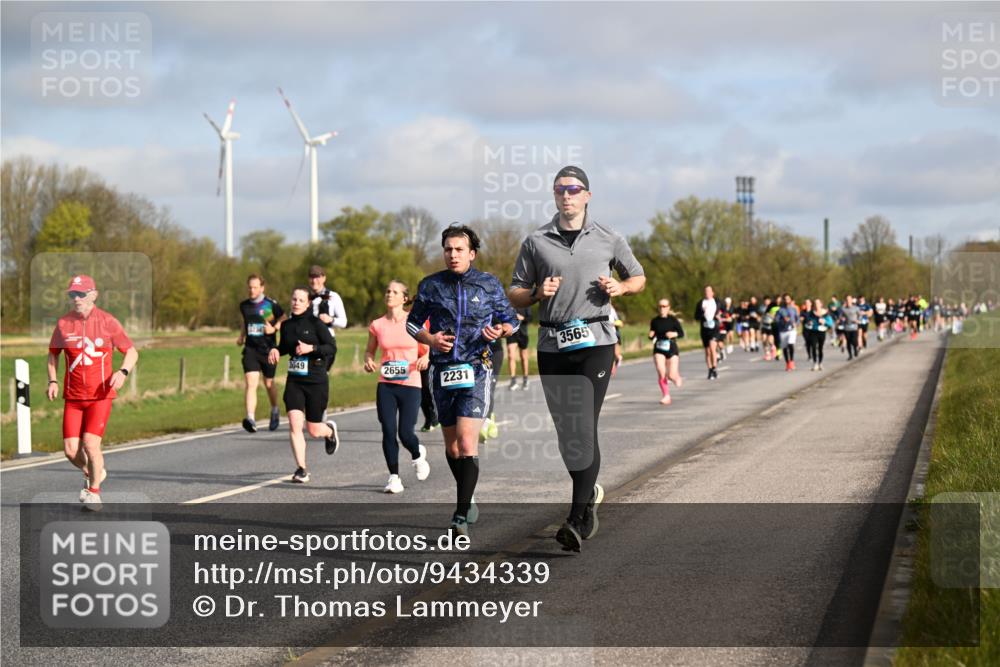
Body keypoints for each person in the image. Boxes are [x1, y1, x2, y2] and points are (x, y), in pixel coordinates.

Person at [509, 165, 646, 552]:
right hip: (552, 342)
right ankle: (589, 496)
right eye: (559, 190)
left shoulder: (608, 238)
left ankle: (575, 517)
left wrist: (620, 287)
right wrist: (536, 292)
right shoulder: (536, 241)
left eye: (573, 189)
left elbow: (638, 277)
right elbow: (514, 293)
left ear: (587, 195)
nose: (566, 195)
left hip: (596, 338)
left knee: (583, 425)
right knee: (568, 435)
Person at [407, 223, 518, 537]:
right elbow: (412, 325)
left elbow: (512, 322)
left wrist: (500, 331)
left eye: (459, 250)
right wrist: (429, 339)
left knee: (468, 443)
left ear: (472, 253)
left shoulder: (488, 285)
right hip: (442, 370)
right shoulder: (430, 285)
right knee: (453, 449)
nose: (453, 255)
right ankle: (468, 499)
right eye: (448, 249)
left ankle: (459, 515)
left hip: (476, 367)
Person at [47, 274, 139, 511]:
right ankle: (93, 471)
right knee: (69, 451)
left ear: (93, 295)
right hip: (74, 397)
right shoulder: (63, 324)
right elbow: (53, 354)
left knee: (90, 443)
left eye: (81, 294)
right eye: (72, 294)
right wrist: (53, 380)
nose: (76, 298)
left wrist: (123, 372)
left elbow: (131, 352)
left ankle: (94, 492)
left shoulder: (108, 322)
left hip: (100, 396)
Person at [364, 280, 431, 493]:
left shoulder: (413, 321)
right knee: (388, 430)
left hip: (411, 384)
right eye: (387, 291)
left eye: (395, 292)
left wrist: (426, 357)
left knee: (405, 433)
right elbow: (369, 351)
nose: (389, 294)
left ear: (404, 298)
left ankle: (417, 454)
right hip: (386, 385)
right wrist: (368, 361)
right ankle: (394, 477)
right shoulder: (377, 325)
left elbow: (426, 347)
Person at [268, 286, 340, 483]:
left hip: (316, 378)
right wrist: (275, 350)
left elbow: (331, 347)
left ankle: (330, 431)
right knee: (294, 423)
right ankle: (301, 468)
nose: (296, 302)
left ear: (308, 303)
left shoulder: (316, 324)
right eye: (294, 299)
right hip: (295, 380)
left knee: (314, 429)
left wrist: (311, 348)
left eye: (301, 300)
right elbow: (285, 347)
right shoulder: (287, 326)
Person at [237, 274, 284, 433]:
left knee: (269, 383)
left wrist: (274, 328)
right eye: (250, 287)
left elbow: (284, 317)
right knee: (251, 383)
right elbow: (245, 320)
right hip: (251, 349)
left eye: (255, 287)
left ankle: (275, 410)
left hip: (268, 350)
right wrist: (242, 335)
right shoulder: (244, 305)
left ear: (262, 288)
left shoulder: (270, 304)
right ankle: (251, 418)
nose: (252, 290)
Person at [307, 265, 348, 371]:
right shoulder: (303, 297)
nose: (314, 280)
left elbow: (344, 322)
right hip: (306, 343)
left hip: (325, 343)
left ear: (324, 278)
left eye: (317, 277)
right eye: (311, 277)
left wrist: (331, 319)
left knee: (319, 377)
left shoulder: (333, 296)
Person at [648, 299, 684, 405]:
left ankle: (676, 377)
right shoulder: (655, 320)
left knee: (671, 375)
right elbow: (652, 333)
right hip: (659, 347)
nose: (662, 308)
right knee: (661, 372)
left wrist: (674, 334)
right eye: (660, 306)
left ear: (668, 307)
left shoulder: (673, 320)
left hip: (671, 347)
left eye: (664, 306)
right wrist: (650, 335)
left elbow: (681, 333)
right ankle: (666, 396)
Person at [694, 285, 723, 380]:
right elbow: (696, 317)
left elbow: (724, 311)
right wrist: (702, 312)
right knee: (707, 352)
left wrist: (720, 315)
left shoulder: (717, 302)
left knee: (712, 348)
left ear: (712, 292)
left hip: (714, 329)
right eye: (706, 291)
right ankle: (710, 369)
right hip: (704, 329)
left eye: (709, 291)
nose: (707, 292)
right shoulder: (701, 303)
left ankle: (714, 368)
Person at [803, 299, 834, 371]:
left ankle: (820, 363)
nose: (816, 305)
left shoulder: (825, 313)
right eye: (815, 303)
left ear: (821, 304)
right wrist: (809, 323)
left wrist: (824, 322)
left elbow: (830, 323)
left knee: (820, 348)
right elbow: (807, 322)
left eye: (817, 303)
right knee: (813, 347)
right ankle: (815, 363)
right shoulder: (811, 313)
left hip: (822, 332)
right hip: (813, 331)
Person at [507, 307, 531, 391]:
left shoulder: (525, 303)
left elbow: (529, 318)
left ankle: (525, 378)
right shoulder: (509, 303)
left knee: (523, 357)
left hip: (523, 333)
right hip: (512, 333)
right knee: (510, 355)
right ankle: (513, 380)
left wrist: (522, 318)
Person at [774, 293, 800, 371]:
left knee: (791, 344)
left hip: (792, 329)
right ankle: (787, 363)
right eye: (785, 299)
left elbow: (797, 318)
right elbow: (776, 320)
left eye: (788, 299)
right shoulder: (780, 310)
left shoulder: (793, 309)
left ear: (790, 300)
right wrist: (783, 320)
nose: (786, 300)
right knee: (785, 347)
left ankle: (791, 361)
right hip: (783, 330)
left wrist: (796, 323)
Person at [839, 295, 861, 360]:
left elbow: (860, 315)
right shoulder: (843, 309)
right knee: (848, 341)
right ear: (846, 301)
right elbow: (840, 316)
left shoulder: (856, 308)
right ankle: (850, 355)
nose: (848, 301)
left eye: (849, 300)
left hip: (854, 327)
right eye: (847, 300)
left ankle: (855, 349)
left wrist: (858, 320)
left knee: (854, 340)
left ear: (851, 300)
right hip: (846, 327)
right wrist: (842, 318)